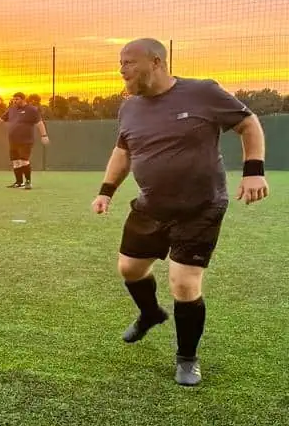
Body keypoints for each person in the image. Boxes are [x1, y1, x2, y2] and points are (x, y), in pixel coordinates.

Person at [91, 38, 268, 386]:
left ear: (156, 61)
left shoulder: (203, 92)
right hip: (151, 204)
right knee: (129, 268)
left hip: (200, 208)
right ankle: (150, 313)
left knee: (184, 283)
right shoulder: (128, 108)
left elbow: (248, 123)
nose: (121, 69)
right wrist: (105, 191)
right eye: (120, 62)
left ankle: (187, 358)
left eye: (128, 61)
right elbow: (123, 152)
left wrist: (254, 170)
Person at [0, 92, 49, 188]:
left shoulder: (32, 110)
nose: (15, 101)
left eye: (17, 99)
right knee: (15, 161)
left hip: (26, 141)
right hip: (13, 140)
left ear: (23, 99)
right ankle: (19, 182)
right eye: (14, 99)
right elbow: (1, 119)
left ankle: (28, 182)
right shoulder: (11, 110)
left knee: (24, 160)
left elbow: (39, 123)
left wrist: (44, 135)